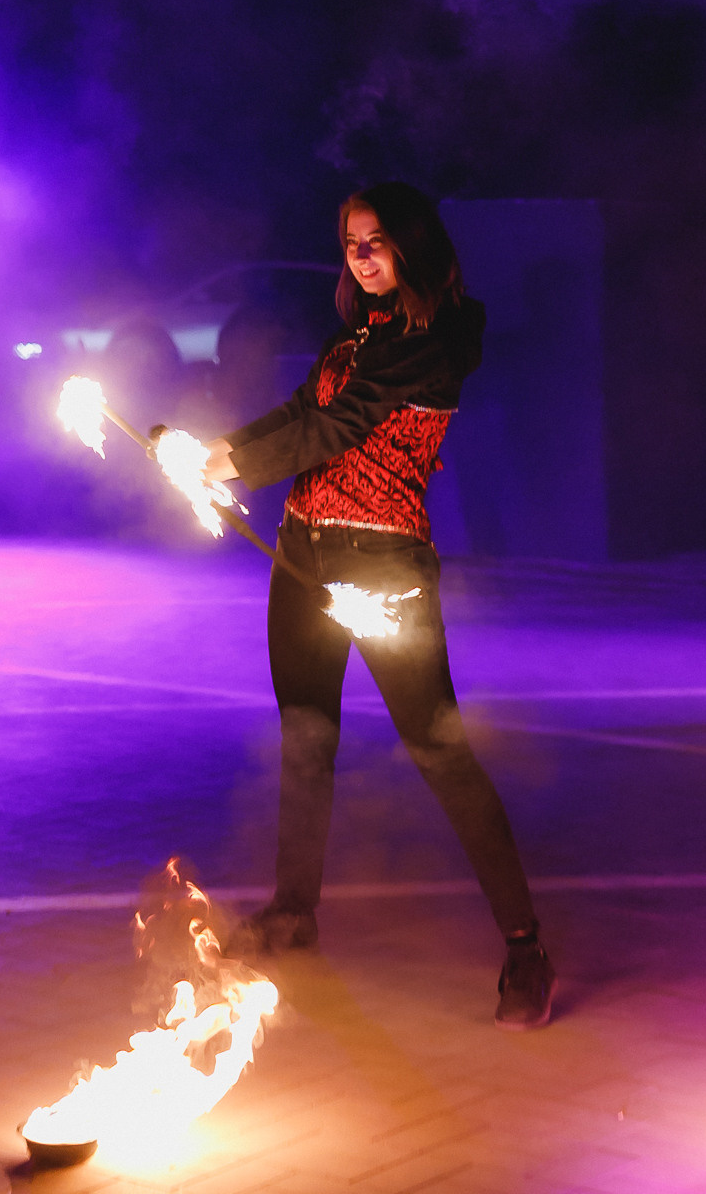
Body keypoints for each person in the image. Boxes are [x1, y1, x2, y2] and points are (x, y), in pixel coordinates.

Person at [204, 182, 555, 1028]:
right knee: (305, 738)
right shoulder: (356, 337)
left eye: (377, 241)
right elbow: (303, 411)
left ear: (412, 246)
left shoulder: (433, 343)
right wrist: (221, 448)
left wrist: (230, 467)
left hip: (385, 566)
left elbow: (339, 427)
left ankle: (525, 948)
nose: (361, 256)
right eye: (351, 241)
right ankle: (293, 909)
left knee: (440, 751)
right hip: (300, 553)